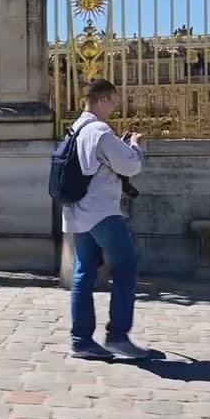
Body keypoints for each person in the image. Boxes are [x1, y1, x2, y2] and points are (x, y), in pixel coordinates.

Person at [62, 79, 149, 361]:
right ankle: (118, 336)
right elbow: (130, 165)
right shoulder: (100, 131)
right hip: (102, 211)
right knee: (125, 267)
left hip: (77, 211)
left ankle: (81, 341)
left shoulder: (74, 129)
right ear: (102, 100)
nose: (114, 106)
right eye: (113, 101)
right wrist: (134, 146)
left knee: (84, 272)